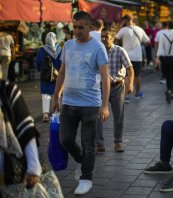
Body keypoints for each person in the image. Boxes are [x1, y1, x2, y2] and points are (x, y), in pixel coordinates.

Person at [52, 11, 110, 195]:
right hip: (68, 102)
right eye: (74, 27)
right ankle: (81, 160)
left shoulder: (98, 47)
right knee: (65, 139)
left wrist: (105, 105)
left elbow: (105, 77)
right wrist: (55, 96)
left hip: (91, 104)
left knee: (88, 143)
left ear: (90, 28)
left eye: (81, 27)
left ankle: (86, 178)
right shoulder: (68, 45)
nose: (76, 31)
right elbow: (62, 72)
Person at [96, 26, 134, 153]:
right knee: (98, 115)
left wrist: (130, 84)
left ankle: (118, 142)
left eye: (106, 36)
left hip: (117, 86)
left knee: (118, 115)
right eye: (102, 36)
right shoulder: (98, 51)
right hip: (100, 87)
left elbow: (130, 68)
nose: (103, 39)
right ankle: (99, 143)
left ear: (113, 38)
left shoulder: (120, 51)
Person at [116, 14, 150, 100]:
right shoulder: (140, 29)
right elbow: (147, 42)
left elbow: (115, 39)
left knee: (126, 76)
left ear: (125, 20)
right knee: (137, 75)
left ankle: (126, 96)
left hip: (125, 57)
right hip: (137, 57)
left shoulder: (123, 30)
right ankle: (138, 93)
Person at [36, 32, 62, 122]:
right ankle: (56, 112)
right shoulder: (60, 49)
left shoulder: (41, 50)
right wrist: (59, 72)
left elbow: (38, 63)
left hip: (45, 76)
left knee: (45, 94)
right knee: (57, 93)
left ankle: (46, 114)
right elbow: (62, 63)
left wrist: (41, 71)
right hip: (57, 75)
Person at [156, 21, 173, 104]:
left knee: (167, 76)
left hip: (164, 59)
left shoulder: (162, 35)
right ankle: (170, 90)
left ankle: (169, 90)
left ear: (167, 26)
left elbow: (160, 47)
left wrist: (157, 58)